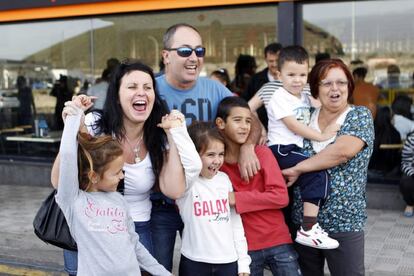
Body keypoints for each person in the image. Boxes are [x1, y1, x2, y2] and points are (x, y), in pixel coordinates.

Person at [51, 61, 186, 276]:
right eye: (132, 87)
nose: (141, 93)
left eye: (147, 87)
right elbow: (60, 181)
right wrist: (74, 128)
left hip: (136, 229)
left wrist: (173, 134)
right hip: (90, 229)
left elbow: (175, 190)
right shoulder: (94, 123)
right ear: (116, 96)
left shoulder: (159, 135)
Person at [154, 23, 261, 272]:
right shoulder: (151, 91)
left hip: (205, 201)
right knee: (158, 269)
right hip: (161, 200)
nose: (194, 58)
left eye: (199, 51)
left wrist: (248, 147)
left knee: (207, 265)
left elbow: (250, 119)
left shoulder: (214, 89)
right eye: (184, 51)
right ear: (166, 55)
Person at [283, 59, 374, 276]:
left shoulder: (359, 116)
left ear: (349, 87)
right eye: (326, 83)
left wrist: (299, 168)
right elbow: (277, 132)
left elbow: (342, 152)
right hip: (304, 223)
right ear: (315, 88)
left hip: (344, 222)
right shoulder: (303, 116)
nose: (335, 89)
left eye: (341, 83)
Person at [216, 96, 301, 276]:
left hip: (277, 240)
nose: (244, 126)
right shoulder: (217, 163)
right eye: (237, 120)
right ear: (220, 123)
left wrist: (237, 199)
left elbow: (280, 196)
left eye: (248, 121)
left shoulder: (262, 153)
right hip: (243, 246)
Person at [265, 45, 339, 249]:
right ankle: (309, 228)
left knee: (294, 195)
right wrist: (322, 135)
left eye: (302, 74)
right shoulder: (279, 97)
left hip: (295, 150)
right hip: (281, 149)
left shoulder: (304, 97)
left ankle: (296, 233)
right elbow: (293, 125)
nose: (297, 80)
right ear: (279, 75)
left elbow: (321, 108)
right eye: (291, 75)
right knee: (317, 172)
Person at [166, 118, 250, 276]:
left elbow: (235, 223)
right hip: (194, 262)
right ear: (195, 155)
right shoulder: (187, 182)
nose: (217, 161)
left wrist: (243, 262)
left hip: (228, 261)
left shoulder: (224, 179)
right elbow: (192, 164)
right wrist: (177, 128)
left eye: (221, 154)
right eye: (210, 154)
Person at [242, 42, 283, 128]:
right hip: (260, 130)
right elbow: (245, 105)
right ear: (265, 59)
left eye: (277, 60)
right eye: (271, 61)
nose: (274, 64)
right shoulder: (255, 80)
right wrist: (259, 127)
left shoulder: (290, 80)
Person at [368, 106, 401, 176]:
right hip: (390, 172)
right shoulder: (395, 134)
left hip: (370, 171)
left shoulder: (370, 132)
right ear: (390, 118)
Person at [400, 131, 414, 217]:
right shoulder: (412, 138)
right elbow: (405, 163)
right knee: (406, 182)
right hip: (412, 171)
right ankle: (410, 204)